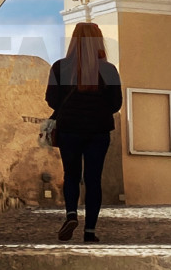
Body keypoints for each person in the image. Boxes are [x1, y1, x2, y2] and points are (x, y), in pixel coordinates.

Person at [45, 21, 122, 242]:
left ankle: (71, 215)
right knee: (93, 179)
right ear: (98, 41)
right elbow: (116, 104)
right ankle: (90, 231)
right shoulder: (108, 69)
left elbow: (52, 100)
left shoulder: (60, 67)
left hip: (69, 129)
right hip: (98, 131)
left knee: (71, 175)